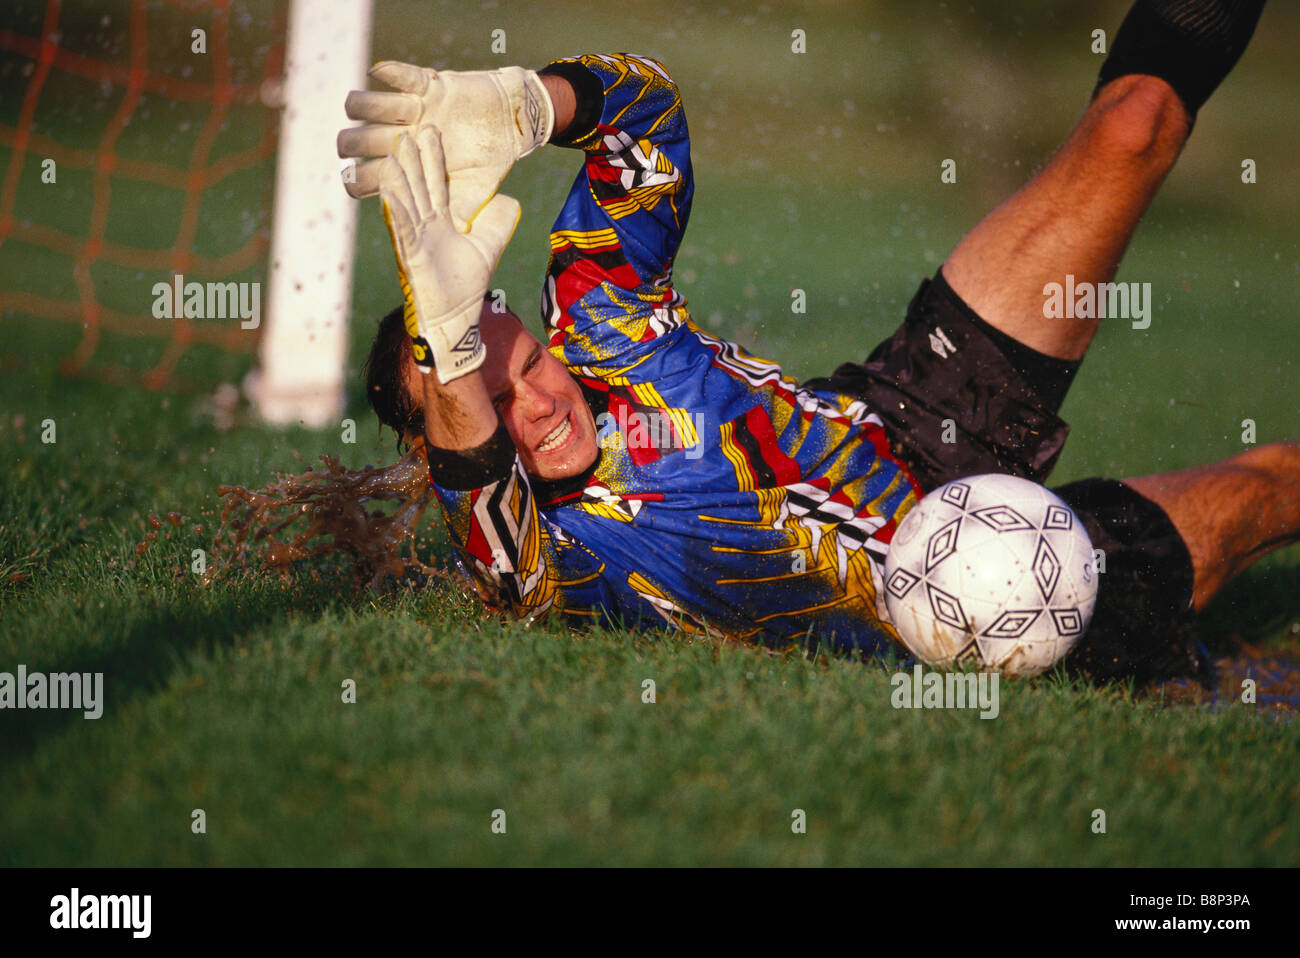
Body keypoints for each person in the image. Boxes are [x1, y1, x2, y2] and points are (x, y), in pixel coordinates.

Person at [339, 1, 1299, 683]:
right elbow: (486, 525)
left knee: (1136, 123)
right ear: (435, 444)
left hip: (916, 407)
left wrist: (526, 106)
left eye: (529, 366)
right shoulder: (555, 557)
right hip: (963, 600)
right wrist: (450, 348)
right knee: (1276, 485)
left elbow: (647, 123)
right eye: (491, 399)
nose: (539, 402)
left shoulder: (601, 320)